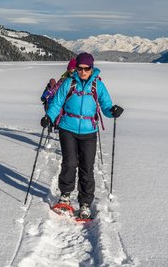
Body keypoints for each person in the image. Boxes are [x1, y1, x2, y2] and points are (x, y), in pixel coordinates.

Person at [40, 52, 124, 219]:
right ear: (76, 68)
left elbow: (106, 105)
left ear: (92, 69)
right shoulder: (69, 83)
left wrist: (112, 111)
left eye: (87, 69)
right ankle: (65, 195)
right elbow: (57, 103)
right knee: (70, 163)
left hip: (89, 131)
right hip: (67, 128)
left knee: (87, 166)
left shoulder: (97, 85)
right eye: (80, 68)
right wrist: (48, 116)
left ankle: (85, 202)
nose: (83, 72)